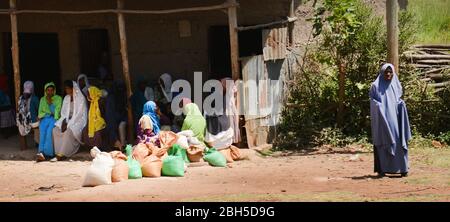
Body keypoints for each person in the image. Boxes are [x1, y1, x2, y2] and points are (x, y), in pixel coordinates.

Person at [370, 63, 411, 177]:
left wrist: (401, 104)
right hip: (382, 121)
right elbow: (372, 101)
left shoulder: (396, 84)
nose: (388, 74)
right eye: (386, 72)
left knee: (398, 140)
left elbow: (398, 98)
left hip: (395, 120)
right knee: (383, 142)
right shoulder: (375, 86)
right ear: (382, 73)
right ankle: (382, 170)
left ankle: (402, 169)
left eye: (390, 72)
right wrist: (378, 107)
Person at [52, 81, 88, 161]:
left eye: (68, 88)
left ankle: (64, 153)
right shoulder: (66, 98)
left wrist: (69, 123)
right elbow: (64, 113)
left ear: (73, 88)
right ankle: (58, 152)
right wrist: (64, 122)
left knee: (69, 131)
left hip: (78, 120)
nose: (66, 90)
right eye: (66, 89)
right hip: (68, 120)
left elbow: (79, 114)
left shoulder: (80, 98)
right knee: (55, 130)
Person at [36, 82, 62, 162]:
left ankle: (47, 153)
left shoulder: (58, 98)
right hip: (44, 119)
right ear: (45, 91)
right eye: (48, 90)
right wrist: (41, 116)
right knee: (42, 132)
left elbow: (57, 113)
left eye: (51, 90)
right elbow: (40, 112)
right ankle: (41, 152)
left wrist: (51, 104)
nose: (50, 92)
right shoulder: (42, 99)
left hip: (54, 119)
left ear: (54, 91)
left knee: (49, 132)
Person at [105, 80, 127, 149]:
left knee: (121, 125)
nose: (121, 90)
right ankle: (118, 144)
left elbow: (122, 109)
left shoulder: (122, 96)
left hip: (120, 116)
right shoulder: (111, 98)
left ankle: (122, 144)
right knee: (112, 126)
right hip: (112, 116)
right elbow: (110, 114)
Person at [16, 81, 40, 146]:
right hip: (32, 122)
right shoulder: (35, 98)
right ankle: (37, 142)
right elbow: (39, 110)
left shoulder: (20, 98)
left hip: (21, 122)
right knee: (41, 123)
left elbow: (19, 110)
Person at [221, 78, 241, 144]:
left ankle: (233, 140)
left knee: (231, 124)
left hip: (230, 110)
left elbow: (231, 103)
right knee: (232, 124)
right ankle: (233, 140)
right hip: (230, 109)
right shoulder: (230, 91)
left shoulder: (230, 91)